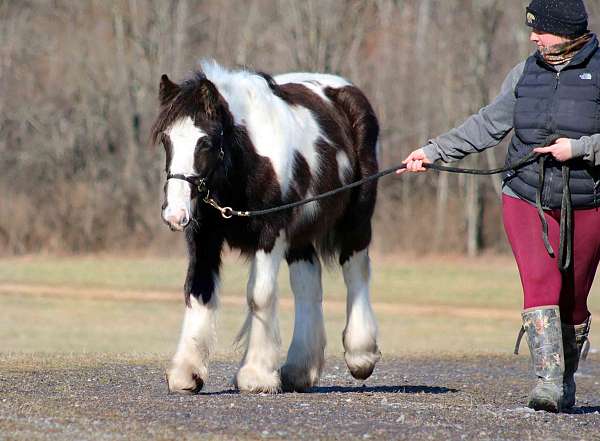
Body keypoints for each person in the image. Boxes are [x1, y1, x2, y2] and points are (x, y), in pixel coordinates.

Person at [399, 0, 598, 413]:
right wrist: (433, 151)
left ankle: (564, 377)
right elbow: (488, 123)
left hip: (586, 201)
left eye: (539, 29)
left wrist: (579, 148)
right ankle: (547, 383)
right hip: (525, 194)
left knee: (574, 301)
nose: (532, 37)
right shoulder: (526, 73)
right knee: (540, 284)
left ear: (563, 30)